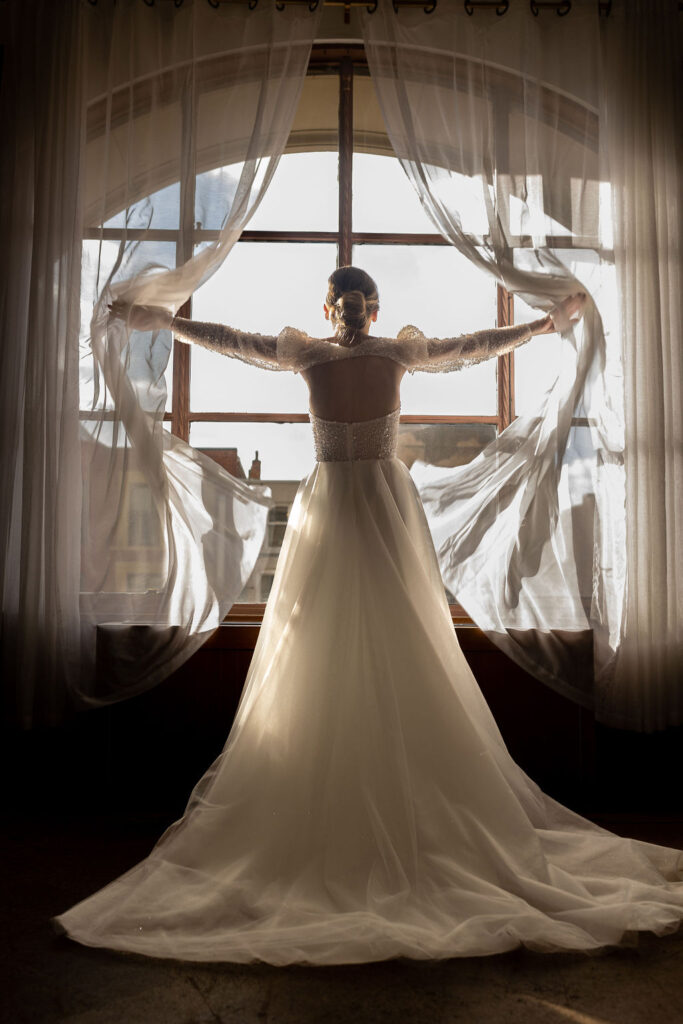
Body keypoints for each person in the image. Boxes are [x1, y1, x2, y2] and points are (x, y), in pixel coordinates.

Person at [52, 267, 683, 965]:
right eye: (342, 303)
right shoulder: (309, 353)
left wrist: (538, 326)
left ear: (374, 309)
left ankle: (416, 796)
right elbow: (234, 339)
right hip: (327, 504)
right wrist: (167, 322)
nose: (351, 312)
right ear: (327, 309)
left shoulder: (395, 353)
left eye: (361, 303)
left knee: (403, 635)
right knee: (316, 642)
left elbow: (469, 344)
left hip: (383, 502)